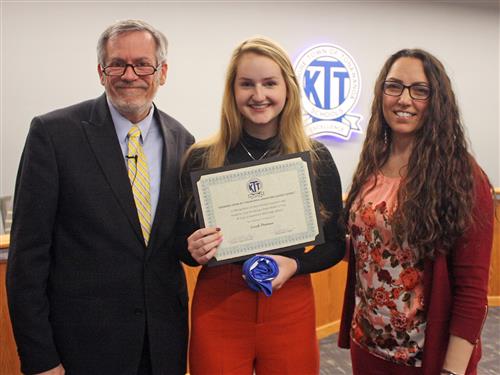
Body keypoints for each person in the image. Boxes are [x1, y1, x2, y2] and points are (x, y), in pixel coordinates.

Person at [6, 19, 194, 375]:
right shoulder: (54, 135)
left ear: (162, 72)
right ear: (100, 71)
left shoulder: (184, 142)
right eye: (117, 64)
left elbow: (174, 243)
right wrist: (40, 358)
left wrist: (197, 246)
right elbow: (27, 258)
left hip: (162, 346)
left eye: (142, 64)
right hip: (82, 349)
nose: (129, 74)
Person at [174, 36, 345, 375]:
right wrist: (191, 248)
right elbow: (180, 243)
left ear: (288, 89)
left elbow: (336, 244)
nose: (259, 95)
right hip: (220, 306)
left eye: (270, 83)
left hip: (290, 301)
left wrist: (294, 266)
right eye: (246, 84)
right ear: (232, 91)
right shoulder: (202, 157)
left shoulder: (316, 158)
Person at [338, 48, 495, 375]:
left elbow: (471, 291)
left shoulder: (462, 177)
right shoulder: (373, 165)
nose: (404, 99)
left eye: (419, 90)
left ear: (437, 101)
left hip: (424, 359)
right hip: (366, 346)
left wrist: (452, 371)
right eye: (393, 86)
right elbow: (368, 248)